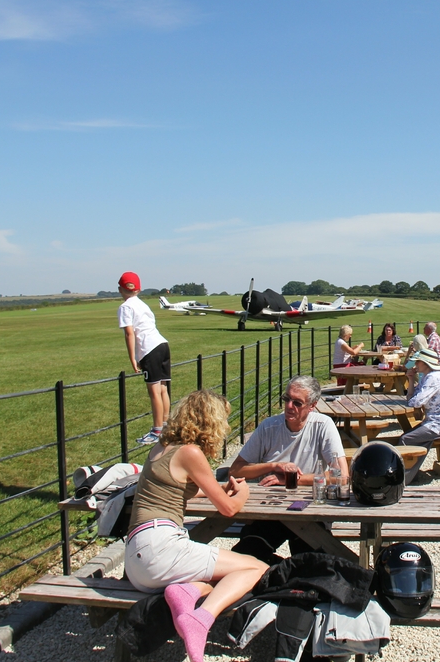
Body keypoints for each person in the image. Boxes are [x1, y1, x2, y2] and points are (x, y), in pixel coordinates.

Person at [123, 390, 267, 662]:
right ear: (209, 421)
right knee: (257, 567)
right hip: (161, 549)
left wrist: (219, 488)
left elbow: (182, 489)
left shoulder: (161, 448)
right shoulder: (190, 453)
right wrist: (243, 493)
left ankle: (188, 591)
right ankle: (201, 619)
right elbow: (228, 509)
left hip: (136, 560)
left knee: (219, 575)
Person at [228, 376, 348, 563]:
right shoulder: (269, 426)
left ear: (312, 406)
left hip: (309, 510)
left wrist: (290, 479)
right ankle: (280, 572)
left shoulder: (323, 425)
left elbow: (341, 476)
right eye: (287, 399)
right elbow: (235, 470)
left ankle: (287, 574)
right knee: (248, 551)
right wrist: (273, 466)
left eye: (297, 402)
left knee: (310, 560)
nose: (289, 406)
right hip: (270, 509)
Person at [117, 271, 171, 445]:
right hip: (162, 345)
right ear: (138, 289)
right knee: (163, 388)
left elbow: (129, 333)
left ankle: (157, 430)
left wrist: (133, 357)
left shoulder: (125, 307)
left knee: (153, 391)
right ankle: (165, 424)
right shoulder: (143, 305)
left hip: (149, 349)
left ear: (120, 289)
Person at [400, 348, 440, 484]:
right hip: (437, 422)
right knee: (416, 437)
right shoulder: (429, 376)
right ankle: (410, 474)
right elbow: (413, 398)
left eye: (418, 361)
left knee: (405, 439)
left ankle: (403, 478)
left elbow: (415, 402)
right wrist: (410, 379)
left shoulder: (434, 378)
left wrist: (412, 398)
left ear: (426, 363)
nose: (415, 364)